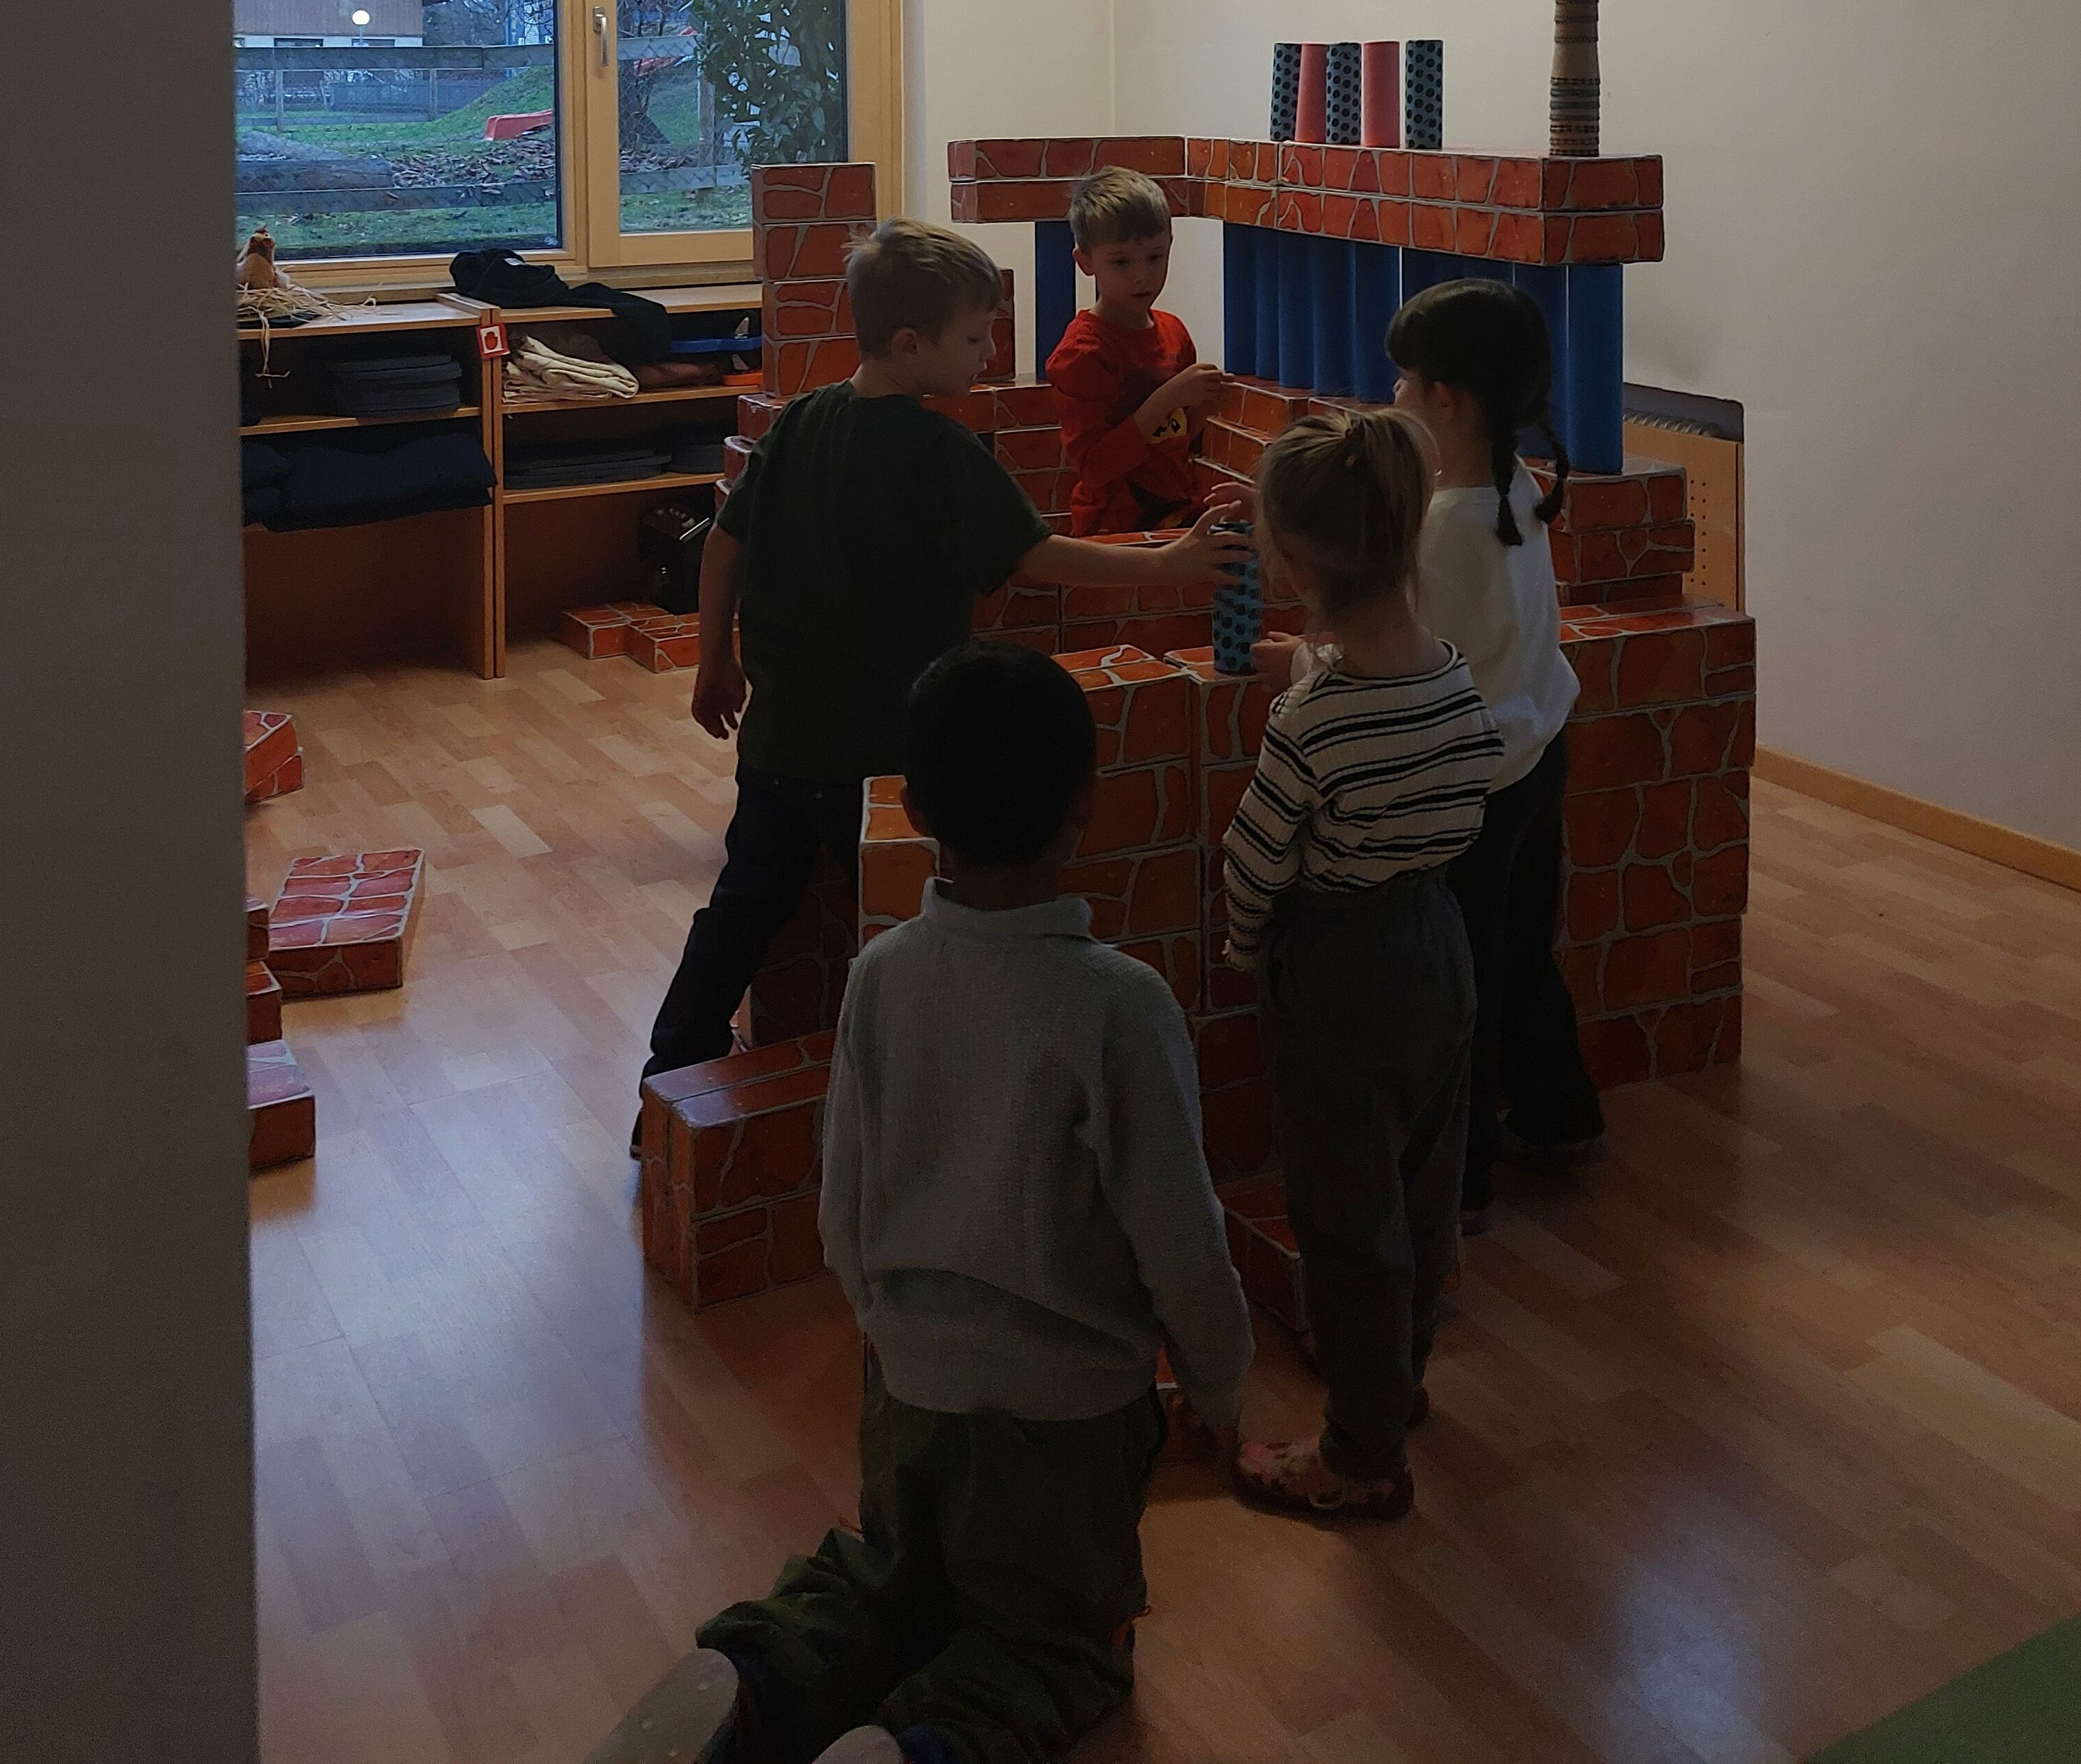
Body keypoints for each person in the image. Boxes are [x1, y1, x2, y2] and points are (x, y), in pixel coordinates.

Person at [688, 642, 1255, 1764]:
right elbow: (1181, 1239)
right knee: (1052, 1646)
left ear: (912, 807)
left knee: (887, 1585)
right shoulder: (1120, 1007)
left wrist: (896, 1330)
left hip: (907, 1395)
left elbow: (844, 1204)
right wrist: (1218, 1383)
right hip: (1065, 1427)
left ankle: (746, 1682)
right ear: (1083, 804)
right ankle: (917, 1750)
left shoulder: (882, 975)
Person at [637, 219, 1250, 1125]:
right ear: (910, 345)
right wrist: (1167, 567)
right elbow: (1036, 557)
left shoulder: (803, 420)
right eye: (974, 337)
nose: (989, 353)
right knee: (910, 922)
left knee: (740, 909)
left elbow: (724, 544)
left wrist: (715, 659)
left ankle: (665, 1084)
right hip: (887, 752)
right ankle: (925, 1095)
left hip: (779, 744)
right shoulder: (938, 450)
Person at [1256, 280, 1608, 1238]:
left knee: (1469, 983)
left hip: (1475, 787)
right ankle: (1561, 1113)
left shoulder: (1449, 525)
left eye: (1403, 383)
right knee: (1522, 954)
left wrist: (1300, 662)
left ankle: (1465, 1181)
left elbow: (1403, 661)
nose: (1393, 397)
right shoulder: (1516, 483)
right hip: (1536, 750)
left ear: (1445, 400)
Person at [1221, 412, 1502, 1522]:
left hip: (1338, 968)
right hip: (1437, 943)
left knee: (1344, 1219)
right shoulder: (1451, 680)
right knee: (1423, 1195)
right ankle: (1398, 1382)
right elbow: (1469, 796)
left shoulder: (1310, 719)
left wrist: (1249, 947)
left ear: (1295, 565)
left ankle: (1360, 1454)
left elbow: (1253, 860)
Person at [1044, 168, 1227, 535]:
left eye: (1155, 257)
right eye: (1121, 262)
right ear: (1086, 262)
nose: (1142, 275)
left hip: (1175, 510)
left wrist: (1204, 410)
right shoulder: (1082, 353)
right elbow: (1094, 467)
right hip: (1113, 527)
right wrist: (1170, 396)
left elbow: (1175, 442)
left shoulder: (1174, 332)